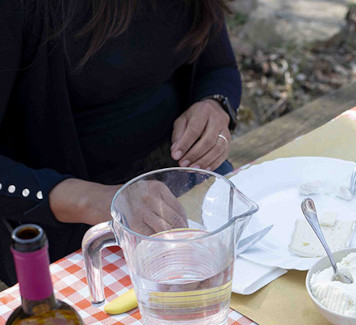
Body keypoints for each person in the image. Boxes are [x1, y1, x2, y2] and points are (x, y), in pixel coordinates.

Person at [0, 0, 242, 285]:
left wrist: (215, 105)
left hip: (187, 187)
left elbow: (218, 66)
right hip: (68, 224)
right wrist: (92, 200)